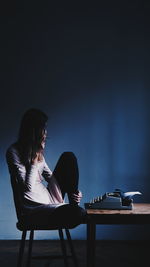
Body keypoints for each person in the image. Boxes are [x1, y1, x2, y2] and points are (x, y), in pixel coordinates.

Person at [6, 108, 86, 228]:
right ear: (34, 131)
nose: (45, 132)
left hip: (51, 200)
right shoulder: (14, 152)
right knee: (79, 214)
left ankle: (73, 204)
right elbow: (28, 188)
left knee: (68, 156)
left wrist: (73, 190)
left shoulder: (37, 152)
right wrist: (34, 159)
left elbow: (50, 176)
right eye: (43, 128)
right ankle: (72, 210)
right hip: (35, 208)